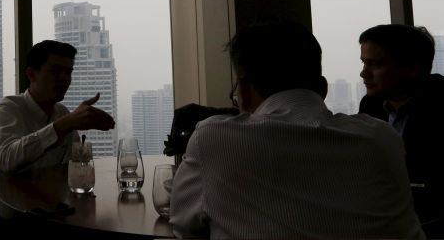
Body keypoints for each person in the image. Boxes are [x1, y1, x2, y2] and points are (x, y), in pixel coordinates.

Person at [169, 21, 424, 240]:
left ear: (244, 91)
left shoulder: (213, 138)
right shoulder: (382, 137)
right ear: (323, 88)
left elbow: (184, 226)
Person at [359, 24, 444, 238]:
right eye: (363, 63)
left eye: (375, 64)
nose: (364, 73)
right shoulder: (370, 105)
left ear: (412, 68)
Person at [0, 40, 115, 194]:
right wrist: (63, 125)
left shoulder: (61, 113)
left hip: (44, 203)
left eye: (68, 72)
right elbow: (7, 160)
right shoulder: (6, 110)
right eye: (55, 71)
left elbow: (72, 166)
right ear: (31, 74)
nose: (64, 78)